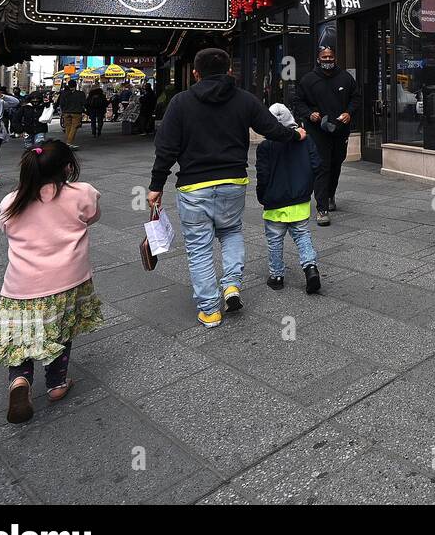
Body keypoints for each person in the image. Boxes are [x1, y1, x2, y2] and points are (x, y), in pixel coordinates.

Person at [148, 47, 307, 328]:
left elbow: (167, 147)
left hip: (194, 185)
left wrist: (156, 185)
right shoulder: (244, 99)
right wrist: (296, 135)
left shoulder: (181, 102)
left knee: (199, 248)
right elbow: (272, 129)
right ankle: (231, 285)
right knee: (231, 232)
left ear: (196, 73)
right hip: (233, 182)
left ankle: (210, 310)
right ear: (229, 71)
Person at [0, 141, 103, 424]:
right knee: (60, 333)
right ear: (68, 167)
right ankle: (56, 384)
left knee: (20, 337)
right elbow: (92, 216)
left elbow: (6, 228)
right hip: (68, 281)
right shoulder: (82, 193)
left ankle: (19, 381)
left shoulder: (11, 202)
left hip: (21, 286)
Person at [255, 103, 323, 294]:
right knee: (302, 236)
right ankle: (310, 268)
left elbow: (263, 175)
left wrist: (262, 196)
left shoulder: (265, 147)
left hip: (274, 203)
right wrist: (306, 182)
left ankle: (277, 276)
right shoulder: (305, 140)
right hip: (300, 200)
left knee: (275, 240)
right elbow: (317, 166)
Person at [291, 45, 360, 227]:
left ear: (335, 58)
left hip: (340, 129)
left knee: (336, 163)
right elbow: (298, 101)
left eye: (330, 57)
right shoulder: (308, 79)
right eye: (324, 57)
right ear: (318, 59)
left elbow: (356, 98)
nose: (328, 60)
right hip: (317, 129)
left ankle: (330, 195)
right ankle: (322, 209)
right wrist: (308, 114)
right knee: (322, 166)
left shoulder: (346, 78)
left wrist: (349, 112)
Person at [56, 79, 86, 149]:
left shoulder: (63, 94)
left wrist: (63, 111)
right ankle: (69, 143)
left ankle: (68, 142)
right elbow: (84, 103)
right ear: (75, 85)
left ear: (68, 85)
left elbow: (61, 103)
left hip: (66, 112)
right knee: (74, 127)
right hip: (76, 112)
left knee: (68, 127)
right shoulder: (81, 93)